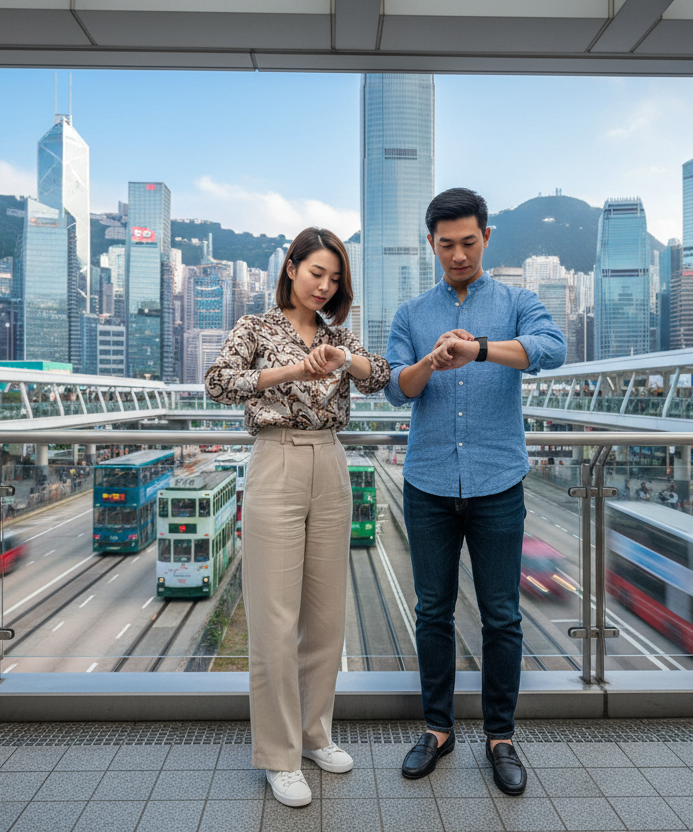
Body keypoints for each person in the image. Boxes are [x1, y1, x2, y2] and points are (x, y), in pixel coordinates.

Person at [384, 188, 565, 796]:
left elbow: (552, 350)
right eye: (445, 244)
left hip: (497, 482)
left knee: (502, 617)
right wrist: (433, 363)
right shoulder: (411, 314)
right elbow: (395, 389)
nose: (457, 254)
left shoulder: (518, 301)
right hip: (428, 481)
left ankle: (500, 737)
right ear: (430, 244)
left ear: (486, 238)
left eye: (468, 241)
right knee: (432, 613)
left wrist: (482, 349)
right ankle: (436, 730)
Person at [204, 226, 390, 808]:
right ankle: (279, 757)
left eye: (334, 278)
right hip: (276, 460)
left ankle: (314, 735)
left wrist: (346, 360)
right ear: (291, 268)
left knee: (326, 616)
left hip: (332, 463)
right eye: (316, 273)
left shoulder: (339, 336)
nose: (325, 285)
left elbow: (381, 377)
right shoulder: (256, 327)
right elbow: (217, 383)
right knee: (274, 619)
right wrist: (292, 372)